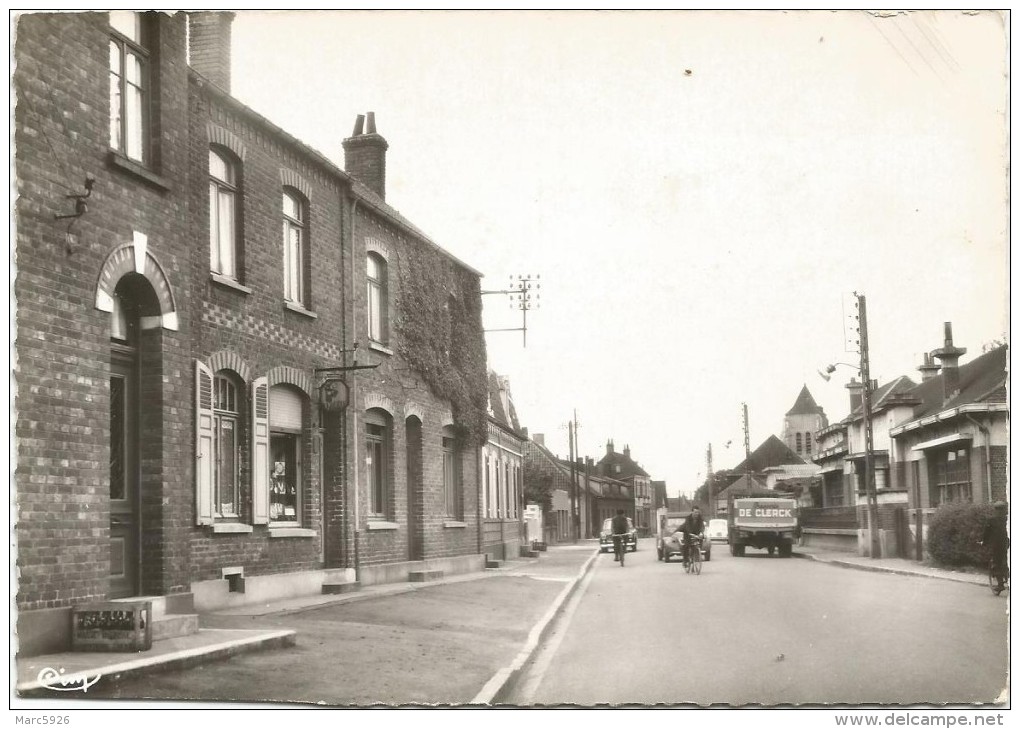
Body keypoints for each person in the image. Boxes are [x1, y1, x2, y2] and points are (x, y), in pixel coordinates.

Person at [982, 501, 1009, 594]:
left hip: (997, 546)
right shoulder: (1008, 519)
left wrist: (984, 542)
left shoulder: (991, 520)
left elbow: (986, 533)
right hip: (1008, 544)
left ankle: (1000, 585)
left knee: (996, 563)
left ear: (995, 509)